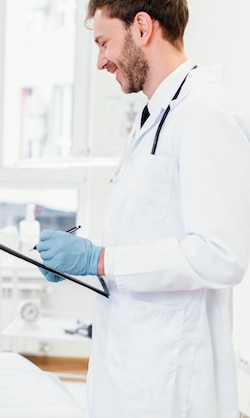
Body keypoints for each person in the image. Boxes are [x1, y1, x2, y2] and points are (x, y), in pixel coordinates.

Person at [35, 1, 250, 417]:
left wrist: (99, 259)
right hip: (134, 362)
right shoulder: (157, 114)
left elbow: (221, 256)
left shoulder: (205, 113)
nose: (100, 61)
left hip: (171, 376)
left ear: (142, 27)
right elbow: (151, 232)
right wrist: (84, 263)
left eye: (103, 43)